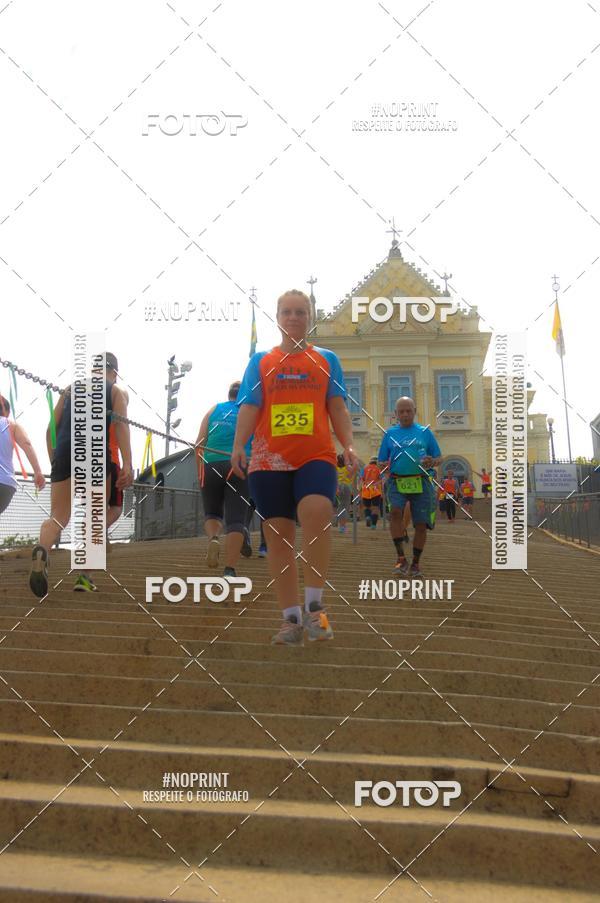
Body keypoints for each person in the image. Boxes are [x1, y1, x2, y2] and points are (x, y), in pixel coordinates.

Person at [231, 289, 358, 645]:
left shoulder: (327, 359)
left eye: (301, 312)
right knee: (279, 537)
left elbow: (337, 407)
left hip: (315, 455)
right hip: (268, 460)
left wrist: (347, 444)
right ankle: (290, 620)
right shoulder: (261, 361)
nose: (293, 317)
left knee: (317, 511)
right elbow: (250, 406)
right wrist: (239, 444)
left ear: (310, 317)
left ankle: (315, 608)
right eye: (287, 311)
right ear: (278, 317)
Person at [29, 353, 133, 597]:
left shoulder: (69, 389)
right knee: (95, 518)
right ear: (114, 372)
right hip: (96, 455)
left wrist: (54, 458)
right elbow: (121, 425)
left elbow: (50, 429)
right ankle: (85, 578)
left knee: (58, 516)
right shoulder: (115, 391)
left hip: (65, 452)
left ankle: (42, 550)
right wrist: (127, 463)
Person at [378, 396, 441, 577]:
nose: (405, 414)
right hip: (397, 481)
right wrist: (383, 465)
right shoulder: (390, 434)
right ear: (395, 414)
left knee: (421, 525)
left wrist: (432, 461)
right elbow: (382, 459)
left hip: (421, 481)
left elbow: (438, 457)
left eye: (409, 411)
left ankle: (415, 563)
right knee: (396, 513)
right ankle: (400, 558)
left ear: (415, 411)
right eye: (401, 412)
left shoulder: (425, 432)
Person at [195, 381, 252, 581]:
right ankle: (229, 569)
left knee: (212, 513)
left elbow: (199, 443)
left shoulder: (214, 410)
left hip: (210, 463)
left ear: (229, 394)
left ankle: (213, 539)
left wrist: (200, 470)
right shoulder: (250, 411)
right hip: (239, 464)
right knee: (236, 519)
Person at [0, 396, 45, 515]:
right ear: (8, 412)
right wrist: (37, 471)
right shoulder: (12, 426)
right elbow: (27, 444)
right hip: (6, 485)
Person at [106, 388, 130, 546]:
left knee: (95, 506)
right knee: (116, 507)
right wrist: (127, 465)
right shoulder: (118, 418)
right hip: (111, 461)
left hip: (88, 462)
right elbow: (123, 439)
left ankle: (99, 535)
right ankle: (98, 531)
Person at [360, 456, 383, 529]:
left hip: (366, 489)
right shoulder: (379, 469)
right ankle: (373, 525)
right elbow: (382, 479)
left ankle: (367, 516)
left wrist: (361, 488)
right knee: (375, 507)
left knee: (367, 506)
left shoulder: (364, 468)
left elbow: (361, 479)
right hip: (375, 490)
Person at [335, 453, 353, 533]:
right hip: (346, 487)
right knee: (345, 507)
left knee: (339, 506)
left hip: (337, 487)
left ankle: (336, 519)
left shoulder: (335, 469)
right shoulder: (348, 468)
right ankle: (342, 527)